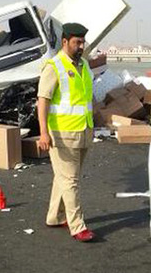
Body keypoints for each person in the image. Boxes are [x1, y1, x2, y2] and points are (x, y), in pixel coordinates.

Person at [37, 22, 95, 242]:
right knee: (70, 181)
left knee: (65, 178)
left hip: (84, 131)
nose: (81, 46)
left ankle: (54, 216)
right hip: (62, 134)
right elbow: (43, 101)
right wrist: (44, 132)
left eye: (82, 42)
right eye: (77, 42)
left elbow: (87, 99)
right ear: (65, 42)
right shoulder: (54, 66)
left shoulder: (85, 66)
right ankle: (77, 226)